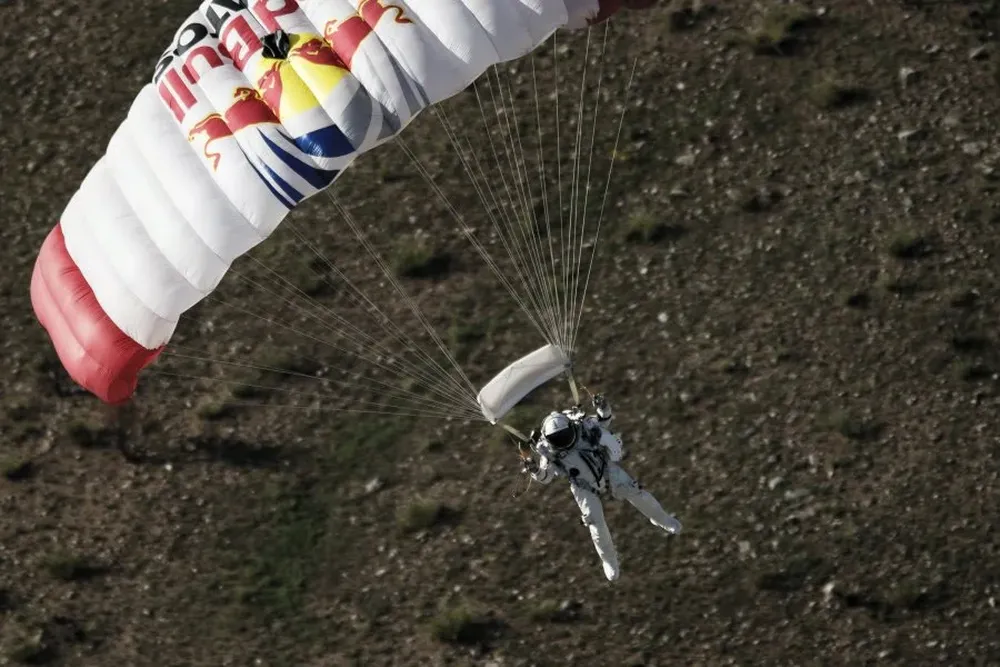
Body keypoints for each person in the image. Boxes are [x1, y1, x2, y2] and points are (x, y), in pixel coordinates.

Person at [521, 393, 682, 581]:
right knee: (595, 524)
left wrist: (603, 407)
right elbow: (546, 476)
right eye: (558, 438)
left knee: (638, 494)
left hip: (606, 469)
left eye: (564, 435)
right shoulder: (548, 450)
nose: (563, 440)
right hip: (582, 486)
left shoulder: (582, 426)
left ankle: (663, 519)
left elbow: (604, 421)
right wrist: (534, 470)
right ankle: (610, 560)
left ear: (570, 427)